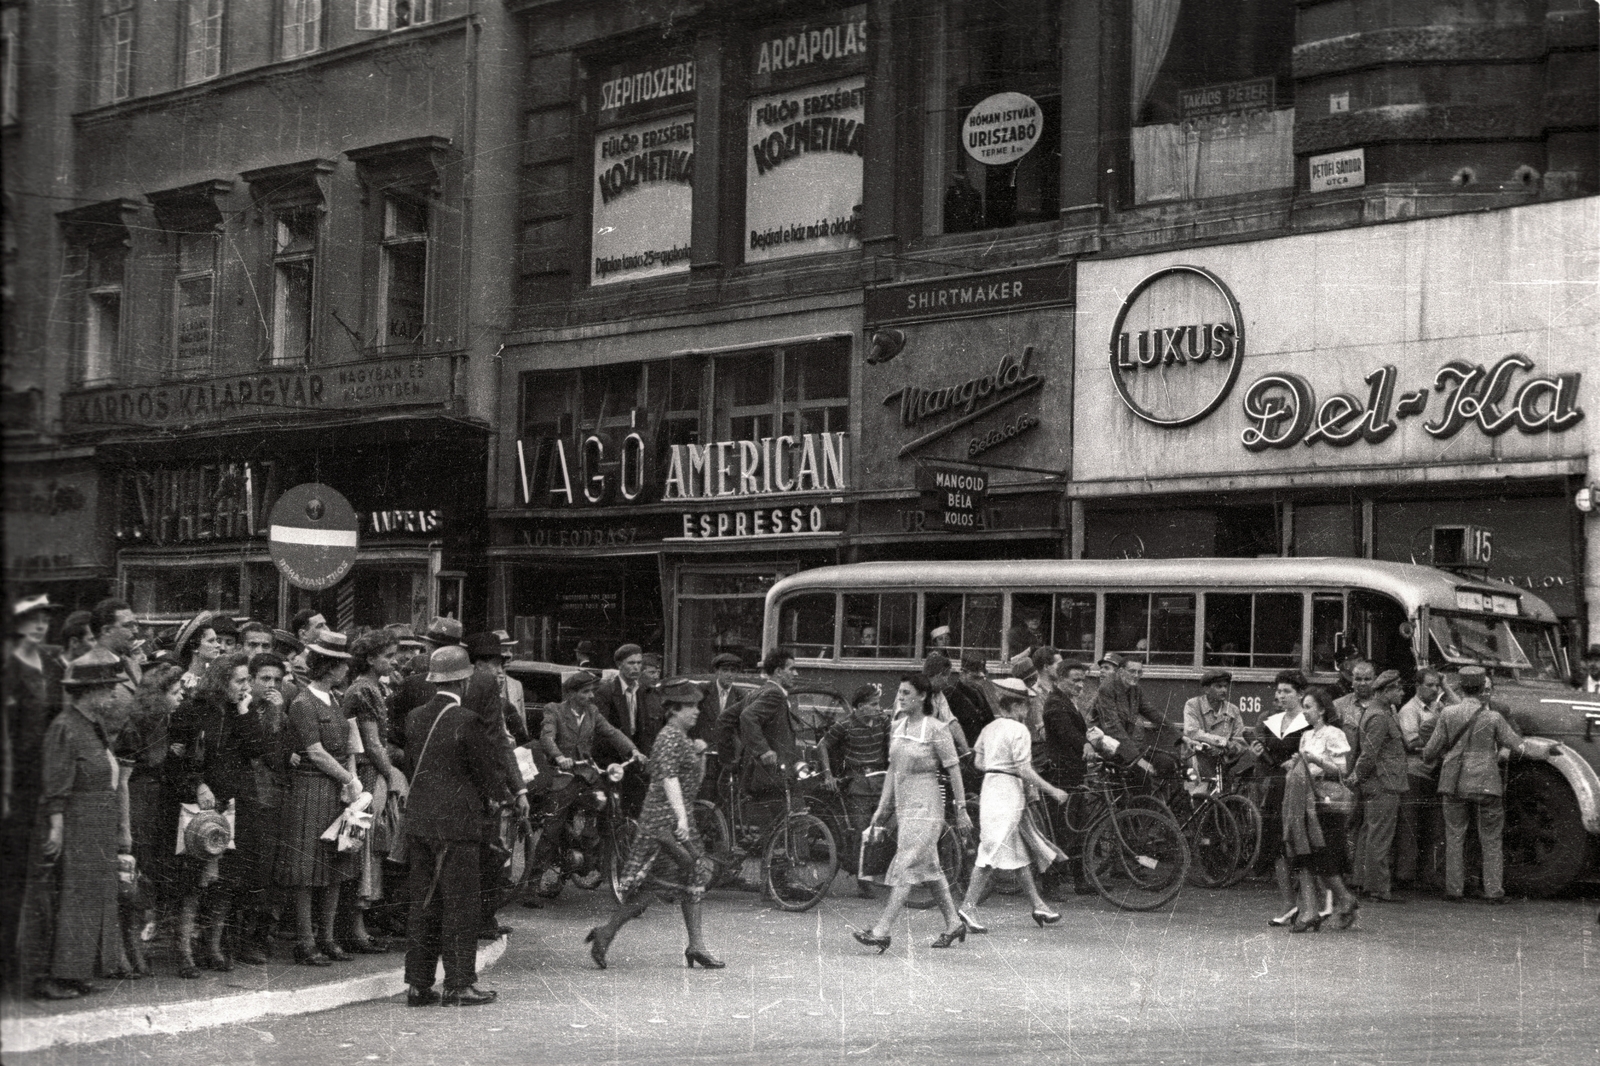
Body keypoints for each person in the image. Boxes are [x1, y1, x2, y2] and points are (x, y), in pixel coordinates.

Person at [17, 648, 133, 999]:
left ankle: (77, 971)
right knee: (68, 899)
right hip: (75, 823)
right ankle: (54, 977)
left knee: (89, 899)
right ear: (90, 691)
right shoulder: (65, 727)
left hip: (95, 825)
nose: (114, 693)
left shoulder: (91, 725)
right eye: (108, 687)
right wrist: (56, 827)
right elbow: (56, 781)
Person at [403, 651, 516, 1006]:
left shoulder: (414, 718)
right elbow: (485, 774)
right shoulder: (468, 719)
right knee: (460, 905)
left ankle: (418, 984)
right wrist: (498, 798)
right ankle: (458, 983)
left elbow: (411, 765)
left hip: (420, 821)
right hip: (458, 825)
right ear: (464, 681)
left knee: (424, 903)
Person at [587, 678, 723, 971]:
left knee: (691, 880)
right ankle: (605, 932)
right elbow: (668, 779)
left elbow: (692, 783)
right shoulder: (668, 738)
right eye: (690, 707)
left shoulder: (683, 740)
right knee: (653, 887)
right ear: (673, 711)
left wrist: (699, 757)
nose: (696, 712)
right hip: (664, 822)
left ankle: (696, 945)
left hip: (677, 820)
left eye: (697, 706)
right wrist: (682, 818)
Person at [854, 674, 972, 953]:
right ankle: (954, 923)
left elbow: (954, 769)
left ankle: (882, 930)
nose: (901, 697)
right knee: (929, 867)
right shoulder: (896, 726)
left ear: (922, 697)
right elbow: (893, 769)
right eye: (900, 693)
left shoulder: (936, 728)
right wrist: (883, 808)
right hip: (905, 805)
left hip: (928, 804)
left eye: (907, 693)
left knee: (906, 865)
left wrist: (962, 808)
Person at [168, 651, 268, 976]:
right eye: (240, 680)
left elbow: (256, 749)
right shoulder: (192, 710)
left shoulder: (240, 711)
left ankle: (212, 945)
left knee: (225, 880)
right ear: (222, 680)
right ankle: (183, 951)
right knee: (194, 881)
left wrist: (243, 710)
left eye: (247, 680)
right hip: (198, 805)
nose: (245, 686)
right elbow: (176, 759)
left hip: (232, 804)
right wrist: (196, 784)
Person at [273, 631, 363, 966]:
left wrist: (350, 783)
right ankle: (306, 940)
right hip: (311, 789)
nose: (345, 670)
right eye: (341, 664)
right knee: (306, 868)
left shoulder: (334, 700)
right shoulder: (302, 702)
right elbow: (315, 751)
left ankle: (326, 937)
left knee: (336, 864)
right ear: (329, 666)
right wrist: (349, 779)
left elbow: (347, 748)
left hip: (337, 791)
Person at [958, 678, 1069, 932]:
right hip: (1008, 792)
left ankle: (1038, 904)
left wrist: (997, 768)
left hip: (991, 787)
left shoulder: (990, 728)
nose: (1028, 711)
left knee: (1017, 853)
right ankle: (967, 907)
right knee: (991, 851)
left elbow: (978, 762)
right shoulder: (1019, 731)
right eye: (1027, 706)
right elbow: (1024, 769)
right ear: (1018, 705)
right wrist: (1052, 790)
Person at [4, 595, 67, 990]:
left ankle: (29, 970)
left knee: (36, 878)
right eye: (31, 617)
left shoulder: (50, 663)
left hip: (39, 782)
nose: (40, 623)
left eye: (45, 616)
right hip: (12, 782)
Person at [1422, 666, 1527, 904]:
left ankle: (1454, 890)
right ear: (1482, 689)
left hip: (1454, 783)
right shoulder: (1493, 717)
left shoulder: (1448, 713)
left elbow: (1430, 751)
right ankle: (1493, 892)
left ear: (1460, 687)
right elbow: (1518, 746)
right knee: (1490, 839)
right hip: (1487, 783)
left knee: (1455, 836)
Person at [533, 670, 639, 895]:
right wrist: (559, 756)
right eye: (585, 692)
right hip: (563, 776)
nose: (591, 696)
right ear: (571, 693)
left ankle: (596, 851)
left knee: (608, 805)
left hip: (588, 774)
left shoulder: (592, 712)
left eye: (592, 691)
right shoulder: (555, 710)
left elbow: (612, 733)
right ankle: (532, 882)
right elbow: (546, 736)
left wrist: (634, 751)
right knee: (553, 825)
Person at [343, 630, 407, 952]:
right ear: (370, 658)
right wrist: (392, 773)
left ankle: (359, 927)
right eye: (388, 656)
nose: (393, 661)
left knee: (370, 848)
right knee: (364, 847)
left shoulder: (371, 688)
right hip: (368, 777)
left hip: (372, 774)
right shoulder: (364, 691)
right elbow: (371, 744)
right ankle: (355, 930)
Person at [117, 661, 182, 969]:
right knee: (138, 868)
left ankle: (147, 935)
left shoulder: (167, 721)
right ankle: (130, 947)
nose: (180, 695)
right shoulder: (141, 725)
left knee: (154, 868)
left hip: (160, 798)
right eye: (175, 691)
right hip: (142, 798)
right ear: (159, 696)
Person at [1282, 687, 1359, 933]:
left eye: (1308, 707)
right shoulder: (1306, 737)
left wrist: (1314, 761)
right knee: (1304, 854)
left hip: (1327, 803)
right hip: (1306, 801)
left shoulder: (1333, 734)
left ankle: (1344, 899)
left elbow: (1342, 771)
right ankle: (1310, 911)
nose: (1304, 712)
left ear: (1322, 710)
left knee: (1324, 859)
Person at [1251, 669, 1313, 926]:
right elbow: (1267, 757)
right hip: (1276, 787)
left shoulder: (1308, 720)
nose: (1281, 695)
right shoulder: (1273, 721)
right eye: (1278, 691)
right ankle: (1288, 902)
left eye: (1287, 691)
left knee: (1299, 845)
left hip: (1298, 787)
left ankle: (1310, 905)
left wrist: (1297, 760)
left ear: (1300, 694)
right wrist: (1258, 752)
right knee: (1277, 845)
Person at [818, 683, 892, 898]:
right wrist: (827, 774)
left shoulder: (883, 723)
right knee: (862, 832)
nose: (879, 708)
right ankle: (863, 881)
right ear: (860, 707)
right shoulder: (845, 725)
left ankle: (870, 873)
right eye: (874, 704)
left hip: (879, 780)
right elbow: (822, 745)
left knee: (878, 830)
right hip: (857, 783)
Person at [1347, 669, 1408, 903]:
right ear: (1386, 691)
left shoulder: (1380, 712)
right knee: (1380, 836)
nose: (1402, 693)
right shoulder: (1380, 717)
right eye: (1398, 689)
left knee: (1369, 833)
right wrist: (1356, 778)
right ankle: (1378, 888)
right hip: (1383, 782)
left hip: (1380, 781)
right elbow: (1369, 755)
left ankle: (1362, 880)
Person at [1395, 668, 1448, 887]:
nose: (1436, 690)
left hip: (1432, 773)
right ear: (1418, 686)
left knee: (1432, 827)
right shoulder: (1409, 710)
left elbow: (1459, 708)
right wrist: (1438, 741)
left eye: (1438, 685)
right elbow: (1412, 742)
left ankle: (1426, 875)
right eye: (1431, 685)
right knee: (1410, 827)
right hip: (1415, 773)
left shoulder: (1439, 707)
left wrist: (1446, 688)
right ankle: (1405, 876)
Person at [739, 648, 801, 821]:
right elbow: (747, 716)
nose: (795, 673)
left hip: (763, 774)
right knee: (797, 822)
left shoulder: (759, 691)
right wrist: (763, 750)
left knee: (771, 829)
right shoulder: (774, 694)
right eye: (791, 669)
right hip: (775, 775)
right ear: (779, 672)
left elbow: (732, 718)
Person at [1090, 654, 1165, 775]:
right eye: (1101, 668)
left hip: (1121, 747)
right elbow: (1106, 726)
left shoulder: (1130, 694)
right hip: (1104, 747)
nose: (1102, 672)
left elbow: (1139, 728)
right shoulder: (1102, 693)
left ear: (1118, 672)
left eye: (1107, 668)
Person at [1183, 669, 1247, 783]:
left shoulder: (1233, 710)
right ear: (1207, 689)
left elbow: (1241, 740)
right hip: (1197, 759)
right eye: (1219, 686)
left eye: (1225, 687)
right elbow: (1192, 732)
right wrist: (1219, 741)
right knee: (1199, 794)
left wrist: (1230, 748)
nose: (1224, 690)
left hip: (1224, 761)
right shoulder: (1193, 705)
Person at [173, 612, 223, 695]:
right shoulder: (184, 684)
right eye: (211, 641)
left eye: (216, 640)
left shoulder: (215, 679)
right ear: (194, 648)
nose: (218, 645)